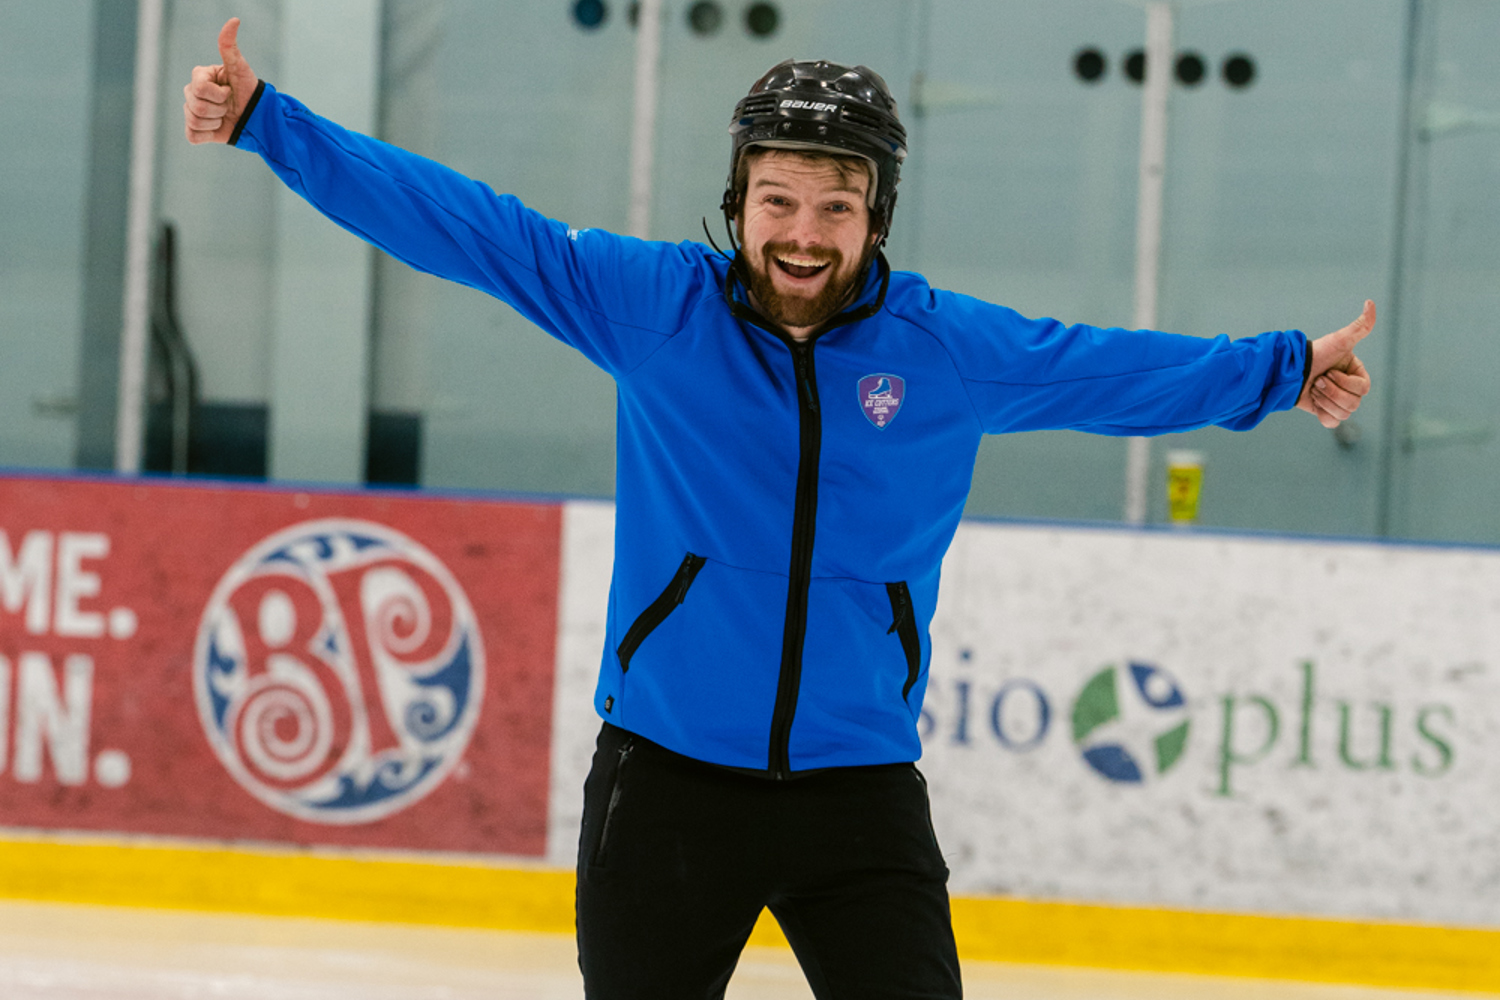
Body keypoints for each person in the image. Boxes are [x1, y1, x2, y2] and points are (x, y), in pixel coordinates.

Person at [185, 18, 1372, 1000]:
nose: (804, 233)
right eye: (780, 199)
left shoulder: (945, 351)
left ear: (877, 215)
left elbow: (1111, 368)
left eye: (836, 207)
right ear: (739, 197)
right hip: (666, 782)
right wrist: (268, 123)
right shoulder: (653, 308)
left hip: (858, 790)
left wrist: (1280, 369)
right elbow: (464, 225)